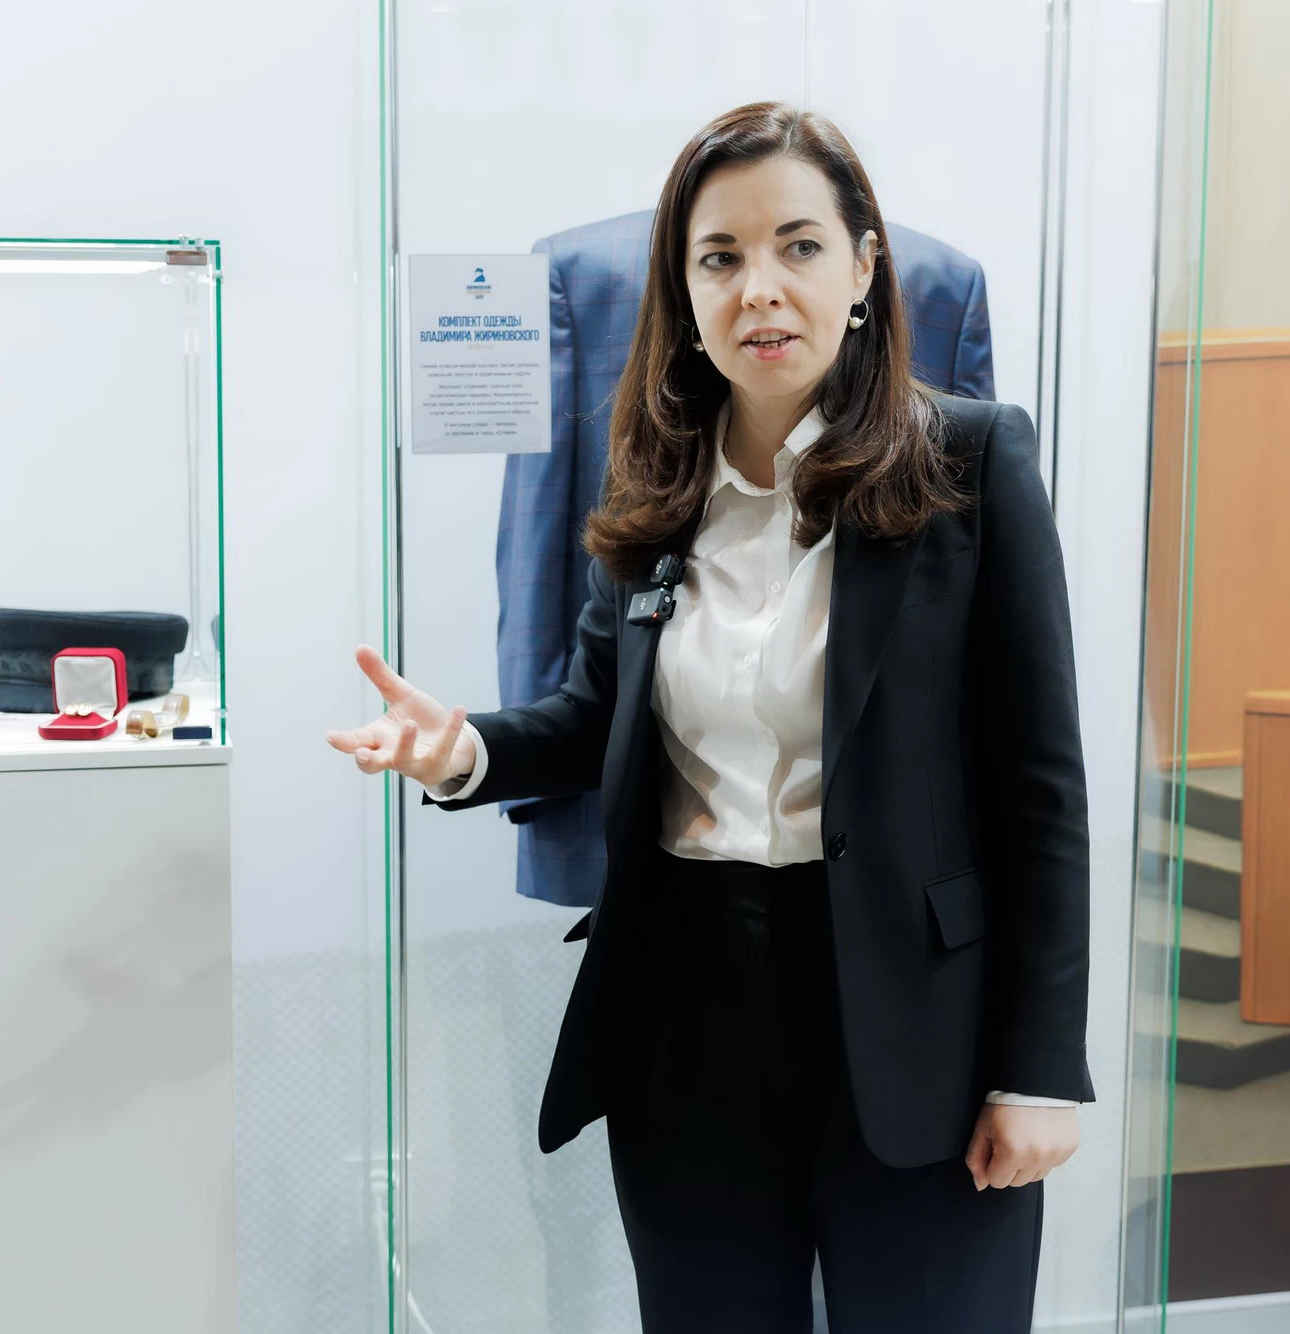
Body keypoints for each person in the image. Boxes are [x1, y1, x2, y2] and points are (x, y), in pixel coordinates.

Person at [328, 100, 1092, 1333]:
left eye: (798, 245)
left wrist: (1039, 1066)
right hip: (687, 1008)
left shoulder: (969, 461)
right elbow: (594, 713)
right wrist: (464, 748)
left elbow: (1039, 791)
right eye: (719, 257)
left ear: (863, 267)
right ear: (682, 292)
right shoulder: (658, 482)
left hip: (915, 1015)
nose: (759, 289)